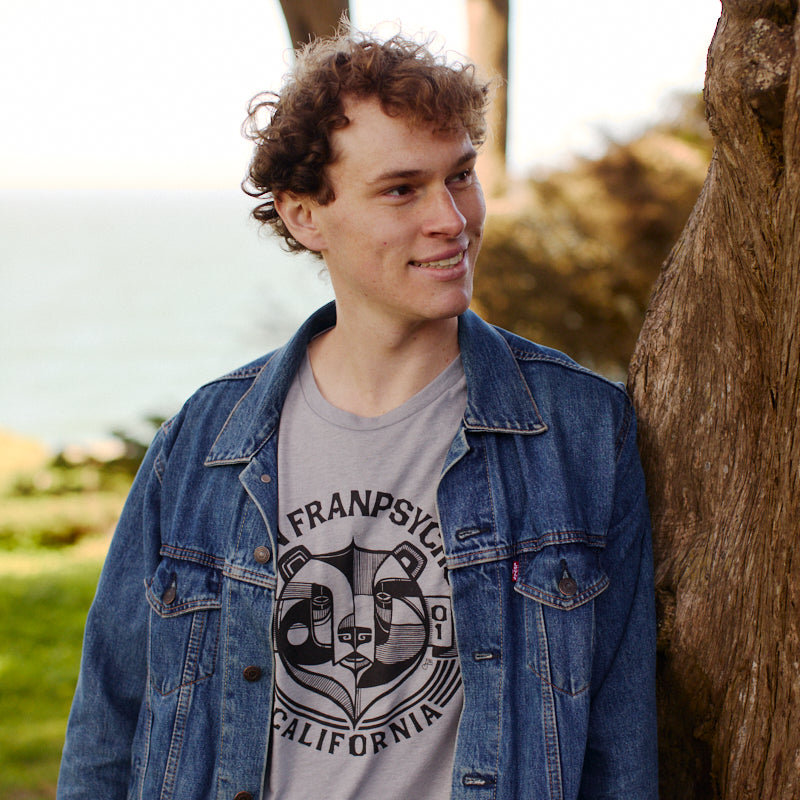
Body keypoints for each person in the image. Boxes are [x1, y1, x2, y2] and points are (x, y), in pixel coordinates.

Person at [57, 27, 657, 800]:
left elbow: (621, 748)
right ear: (306, 215)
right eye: (402, 188)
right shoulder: (204, 446)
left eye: (462, 177)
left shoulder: (581, 431)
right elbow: (107, 735)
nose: (452, 218)